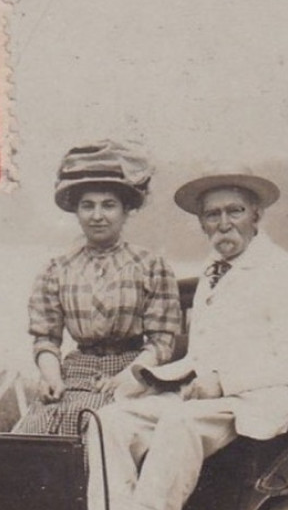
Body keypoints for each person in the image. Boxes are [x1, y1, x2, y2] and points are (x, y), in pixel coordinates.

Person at [96, 171, 288, 510]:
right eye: (212, 215)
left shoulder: (282, 273)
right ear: (201, 224)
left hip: (253, 399)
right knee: (111, 420)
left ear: (256, 216)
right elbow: (202, 354)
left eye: (234, 211)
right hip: (205, 395)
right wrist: (151, 378)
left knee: (179, 424)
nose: (223, 223)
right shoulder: (215, 271)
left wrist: (223, 382)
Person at [14, 141, 182, 437]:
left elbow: (162, 341)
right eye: (87, 206)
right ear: (76, 212)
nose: (97, 216)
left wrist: (130, 376)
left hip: (135, 372)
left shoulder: (151, 265)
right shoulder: (57, 268)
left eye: (108, 205)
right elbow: (46, 338)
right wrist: (51, 375)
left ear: (125, 210)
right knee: (34, 435)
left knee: (101, 432)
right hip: (75, 373)